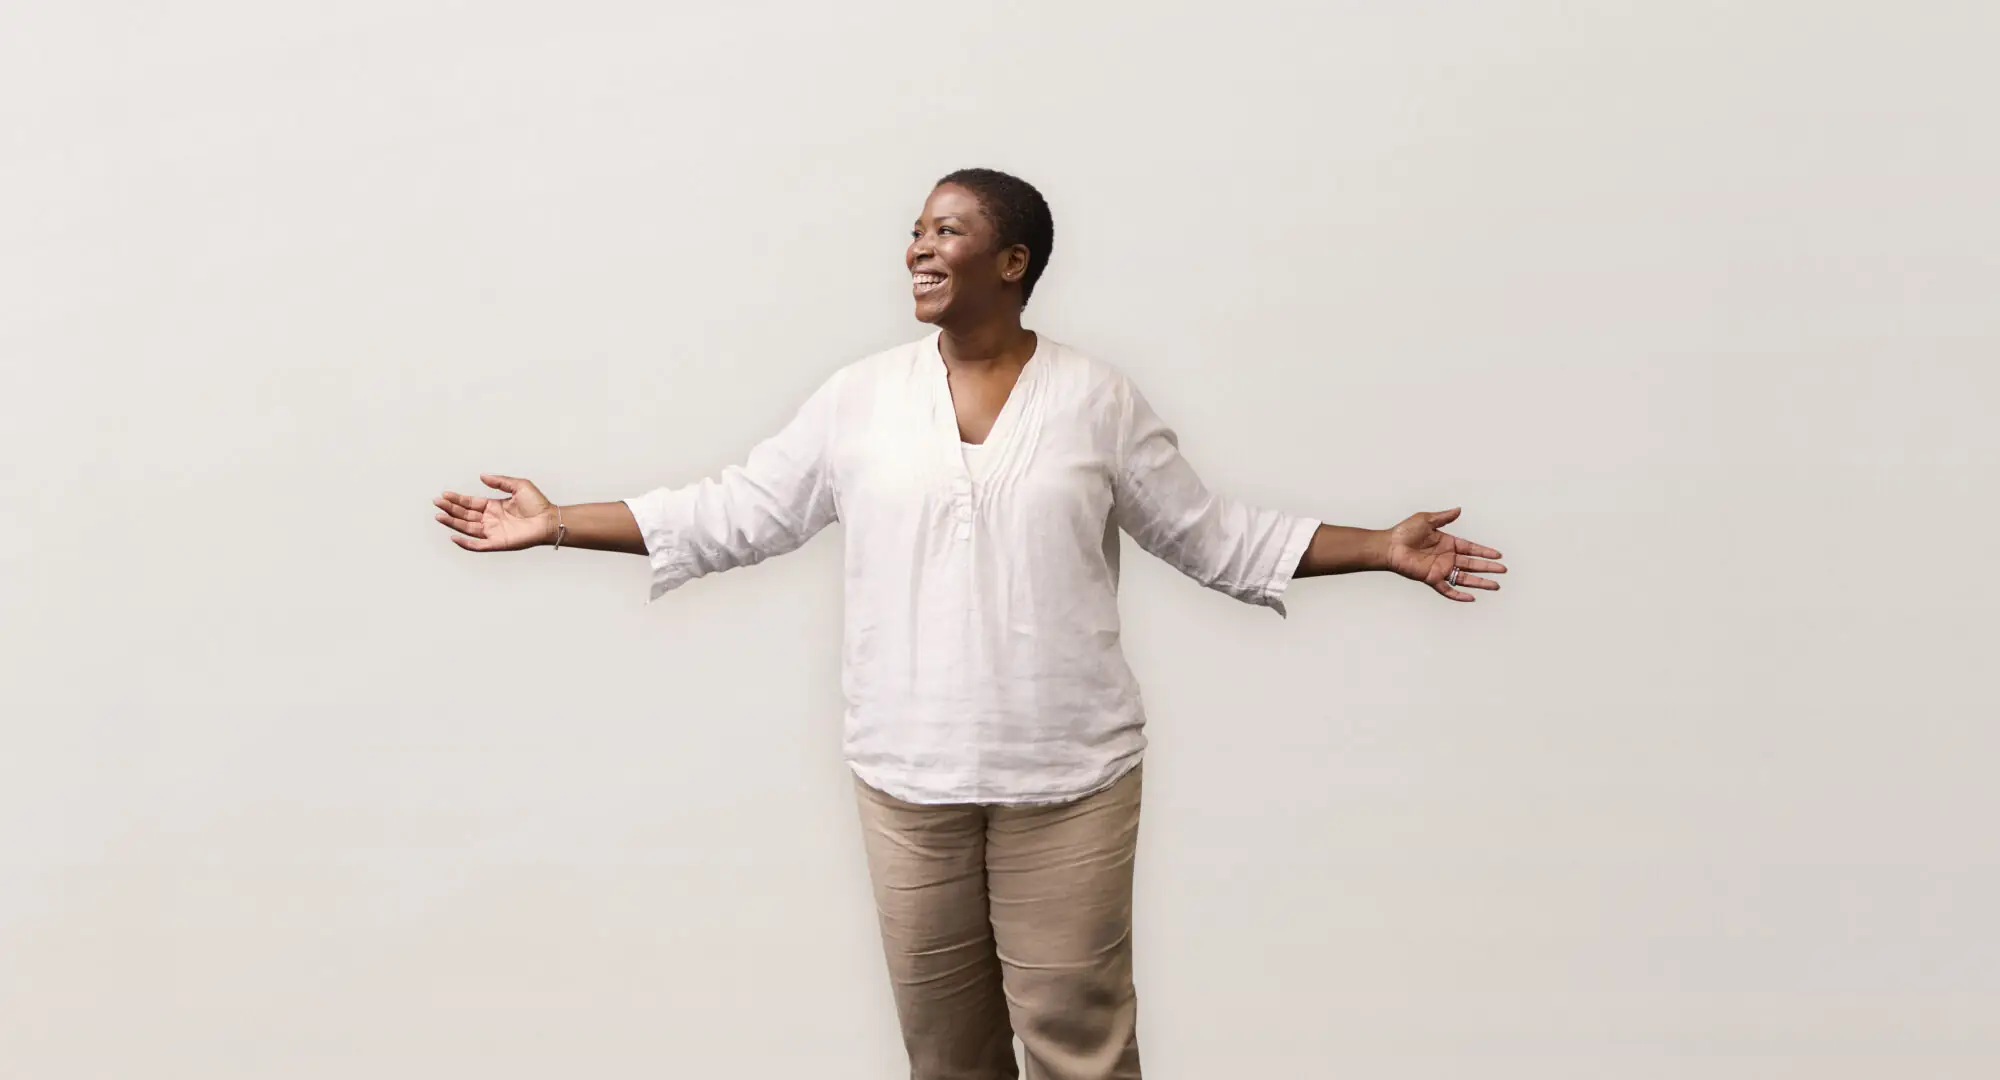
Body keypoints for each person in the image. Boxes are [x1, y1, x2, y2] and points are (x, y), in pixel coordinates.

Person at [431, 167, 1506, 1080]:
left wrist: (1380, 545)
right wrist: (556, 521)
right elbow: (736, 511)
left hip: (1070, 777)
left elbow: (1211, 536)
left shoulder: (1096, 400)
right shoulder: (857, 397)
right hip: (906, 776)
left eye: (946, 229)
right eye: (913, 231)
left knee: (1080, 1046)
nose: (916, 248)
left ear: (1013, 262)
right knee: (945, 1057)